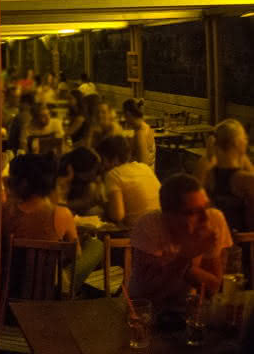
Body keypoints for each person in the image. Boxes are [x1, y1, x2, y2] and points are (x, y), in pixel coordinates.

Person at [129, 174, 233, 307]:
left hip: (187, 305)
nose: (205, 218)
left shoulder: (214, 219)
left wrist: (177, 266)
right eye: (192, 212)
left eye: (206, 207)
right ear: (168, 217)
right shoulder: (149, 224)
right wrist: (187, 256)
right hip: (142, 309)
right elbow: (151, 294)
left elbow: (212, 289)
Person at [3, 154, 102, 288]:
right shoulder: (61, 214)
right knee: (96, 245)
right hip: (49, 289)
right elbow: (75, 255)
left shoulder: (3, 211)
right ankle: (66, 285)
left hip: (10, 287)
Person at [194, 119, 254, 231]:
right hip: (241, 242)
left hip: (215, 235)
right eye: (245, 137)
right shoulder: (245, 180)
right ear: (238, 142)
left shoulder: (209, 172)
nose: (247, 140)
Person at [98, 136, 160, 227]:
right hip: (160, 224)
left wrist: (102, 203)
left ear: (114, 159)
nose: (102, 165)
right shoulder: (144, 167)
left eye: (103, 160)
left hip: (139, 231)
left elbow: (117, 215)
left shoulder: (113, 174)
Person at [56, 146, 104, 216]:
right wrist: (66, 180)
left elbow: (86, 202)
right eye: (94, 169)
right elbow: (54, 205)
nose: (96, 173)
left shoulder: (89, 182)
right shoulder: (61, 177)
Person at [123, 98, 155, 168]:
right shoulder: (146, 127)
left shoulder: (140, 133)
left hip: (142, 176)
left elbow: (143, 164)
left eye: (124, 116)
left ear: (128, 114)